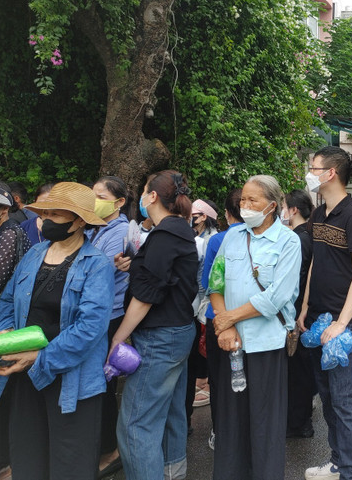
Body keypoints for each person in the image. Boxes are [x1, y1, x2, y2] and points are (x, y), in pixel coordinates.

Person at [0, 182, 114, 480]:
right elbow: (8, 300)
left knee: (69, 463)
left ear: (79, 221)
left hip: (72, 380)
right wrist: (8, 338)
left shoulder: (96, 264)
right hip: (26, 376)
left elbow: (90, 328)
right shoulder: (34, 254)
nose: (45, 220)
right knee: (28, 457)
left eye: (55, 214)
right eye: (43, 213)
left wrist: (38, 356)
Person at [208, 175, 301, 480]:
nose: (244, 206)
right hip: (230, 343)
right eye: (243, 200)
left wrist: (230, 318)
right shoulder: (233, 236)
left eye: (253, 201)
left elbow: (275, 298)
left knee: (264, 424)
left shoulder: (288, 241)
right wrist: (224, 327)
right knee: (230, 424)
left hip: (266, 344)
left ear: (272, 205)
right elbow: (216, 282)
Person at [113, 170, 198, 480]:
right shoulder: (180, 230)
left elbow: (147, 296)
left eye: (144, 191)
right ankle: (171, 473)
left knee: (136, 424)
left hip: (160, 337)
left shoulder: (164, 234)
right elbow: (166, 274)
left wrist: (118, 339)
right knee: (171, 411)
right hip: (179, 331)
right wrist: (135, 264)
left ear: (152, 197)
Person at [297, 146, 352, 480]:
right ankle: (338, 461)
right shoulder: (318, 214)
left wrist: (341, 323)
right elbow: (315, 263)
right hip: (316, 319)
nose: (309, 172)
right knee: (326, 397)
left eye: (313, 167)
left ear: (331, 173)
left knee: (342, 400)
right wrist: (304, 307)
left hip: (344, 323)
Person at [90, 176, 132, 476]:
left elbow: (95, 272)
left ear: (119, 202)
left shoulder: (118, 232)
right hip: (100, 314)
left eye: (101, 195)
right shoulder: (98, 228)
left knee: (104, 384)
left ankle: (111, 449)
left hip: (110, 314)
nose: (95, 200)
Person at [0, 182, 32, 479]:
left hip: (4, 327)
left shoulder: (8, 236)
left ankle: (2, 464)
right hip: (1, 323)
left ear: (4, 210)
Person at [200, 187, 243, 451]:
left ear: (226, 214)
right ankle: (241, 430)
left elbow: (207, 283)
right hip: (248, 317)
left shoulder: (217, 241)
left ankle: (220, 430)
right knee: (242, 378)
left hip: (217, 318)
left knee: (218, 379)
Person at [284, 189, 317, 438]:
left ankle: (299, 422)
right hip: (306, 309)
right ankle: (301, 418)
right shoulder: (310, 234)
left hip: (298, 310)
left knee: (297, 370)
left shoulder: (298, 238)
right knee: (302, 368)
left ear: (293, 209)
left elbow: (296, 278)